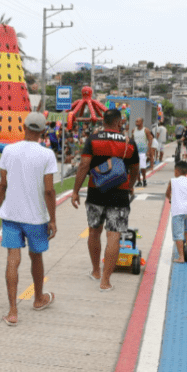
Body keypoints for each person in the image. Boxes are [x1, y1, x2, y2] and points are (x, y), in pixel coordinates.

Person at [0, 112, 57, 326]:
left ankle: (13, 311)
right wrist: (52, 219)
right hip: (36, 218)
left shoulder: (9, 150)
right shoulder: (47, 155)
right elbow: (50, 191)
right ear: (43, 132)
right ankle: (38, 298)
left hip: (11, 217)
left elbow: (2, 186)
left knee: (12, 261)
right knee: (36, 258)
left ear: (23, 126)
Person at [71, 108, 139, 292]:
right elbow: (135, 170)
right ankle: (106, 281)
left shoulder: (93, 140)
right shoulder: (129, 143)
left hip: (96, 192)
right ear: (119, 122)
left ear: (103, 121)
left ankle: (95, 271)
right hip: (119, 194)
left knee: (94, 231)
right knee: (114, 235)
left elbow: (84, 165)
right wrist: (130, 185)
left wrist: (75, 191)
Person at [166, 160, 187, 263]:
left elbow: (167, 194)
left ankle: (181, 257)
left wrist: (171, 199)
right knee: (186, 226)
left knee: (177, 233)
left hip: (178, 211)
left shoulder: (172, 181)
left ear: (176, 171)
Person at [132, 118, 152, 187]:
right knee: (136, 168)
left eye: (138, 121)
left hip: (143, 151)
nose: (136, 122)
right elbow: (132, 140)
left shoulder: (146, 130)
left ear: (142, 122)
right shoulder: (133, 130)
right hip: (135, 152)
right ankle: (139, 181)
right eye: (136, 121)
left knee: (143, 167)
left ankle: (144, 180)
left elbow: (150, 140)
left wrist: (148, 151)